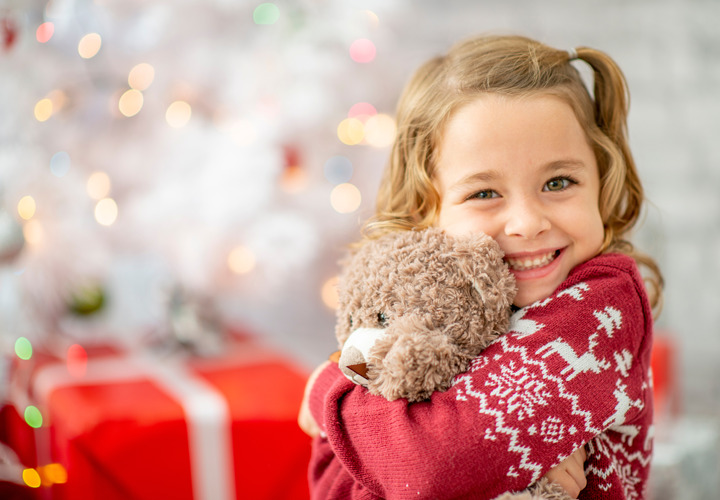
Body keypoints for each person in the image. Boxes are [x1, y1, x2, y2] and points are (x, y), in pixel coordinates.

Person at [298, 34, 663, 499]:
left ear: (602, 181)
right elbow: (332, 480)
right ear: (425, 207)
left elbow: (432, 467)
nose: (528, 222)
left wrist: (331, 395)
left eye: (558, 181)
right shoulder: (422, 296)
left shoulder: (601, 308)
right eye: (484, 193)